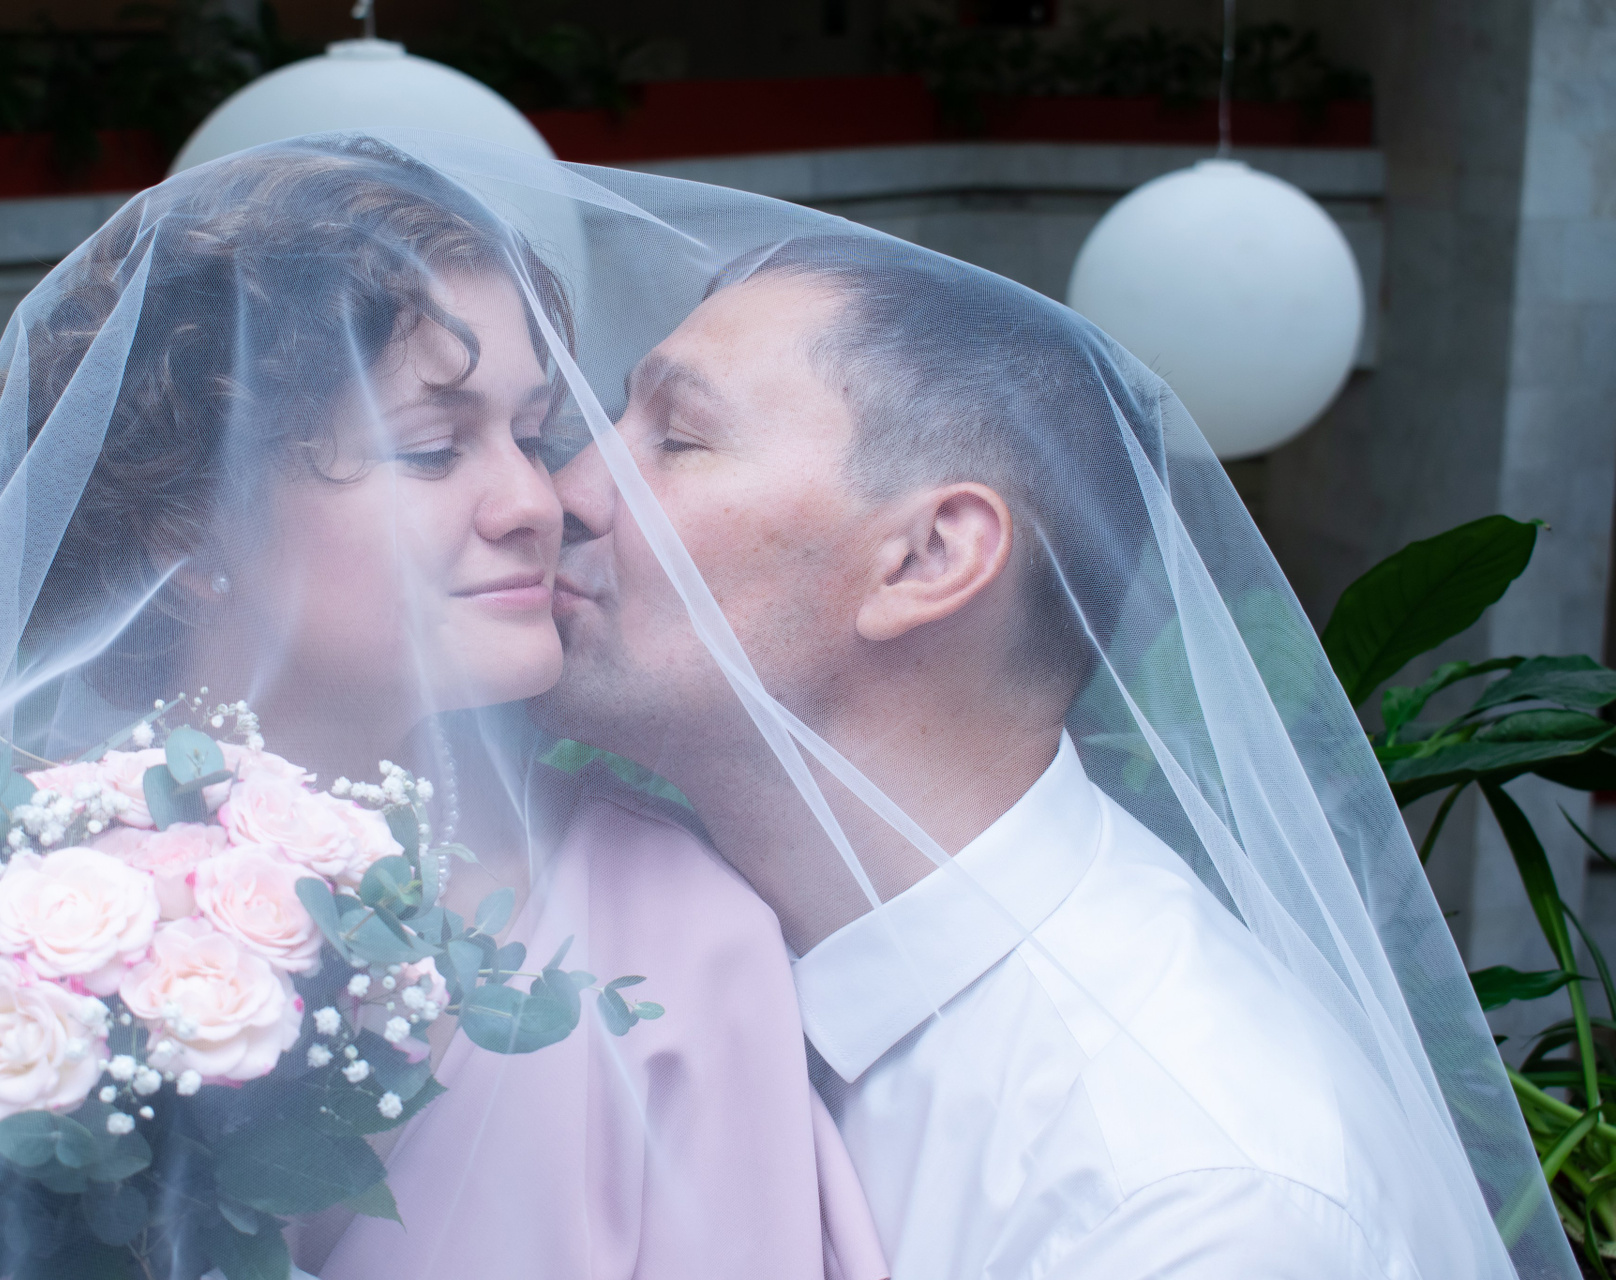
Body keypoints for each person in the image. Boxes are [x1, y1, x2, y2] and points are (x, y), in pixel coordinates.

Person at [0, 140, 882, 1280]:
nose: (535, 501)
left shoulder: (677, 932)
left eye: (530, 435)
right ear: (189, 522)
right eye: (433, 448)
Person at [527, 227, 1570, 1278]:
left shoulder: (1185, 1193)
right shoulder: (644, 934)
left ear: (927, 557)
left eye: (678, 438)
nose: (561, 490)